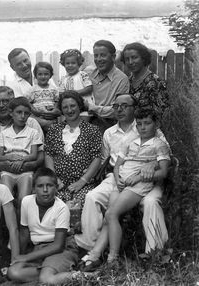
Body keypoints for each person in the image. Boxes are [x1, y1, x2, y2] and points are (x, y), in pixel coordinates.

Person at [75, 94, 170, 271]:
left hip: (144, 180)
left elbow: (165, 159)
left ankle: (154, 255)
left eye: (124, 105)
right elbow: (108, 160)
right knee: (93, 198)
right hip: (118, 178)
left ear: (134, 108)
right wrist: (112, 176)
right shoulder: (110, 133)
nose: (119, 109)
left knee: (147, 203)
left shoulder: (152, 132)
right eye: (116, 105)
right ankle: (91, 250)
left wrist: (149, 165)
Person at [105, 108, 170, 265]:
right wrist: (117, 177)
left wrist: (140, 176)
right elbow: (117, 164)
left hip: (138, 185)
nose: (142, 127)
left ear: (157, 124)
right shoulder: (130, 142)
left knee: (111, 214)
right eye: (139, 124)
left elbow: (163, 172)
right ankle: (102, 254)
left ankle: (112, 258)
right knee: (109, 214)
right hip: (122, 183)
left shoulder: (158, 144)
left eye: (147, 123)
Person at [7, 168, 79, 284]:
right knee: (13, 272)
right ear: (34, 188)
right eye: (40, 186)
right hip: (39, 249)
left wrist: (26, 258)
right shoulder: (26, 201)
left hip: (61, 249)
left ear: (56, 188)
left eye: (49, 185)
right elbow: (24, 233)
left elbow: (58, 245)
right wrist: (18, 258)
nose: (45, 190)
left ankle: (86, 276)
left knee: (46, 280)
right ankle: (53, 272)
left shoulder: (61, 208)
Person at [44, 91, 101, 207]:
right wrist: (54, 179)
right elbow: (48, 155)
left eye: (73, 106)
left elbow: (97, 158)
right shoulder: (53, 130)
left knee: (76, 208)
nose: (69, 110)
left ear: (79, 106)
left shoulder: (92, 130)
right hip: (58, 184)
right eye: (65, 107)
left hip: (83, 184)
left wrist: (82, 181)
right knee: (53, 208)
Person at [0, 86, 44, 176]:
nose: (1, 105)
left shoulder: (31, 123)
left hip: (30, 173)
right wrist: (3, 166)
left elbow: (41, 153)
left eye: (5, 101)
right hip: (0, 174)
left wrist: (32, 165)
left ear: (13, 102)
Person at [0, 97, 43, 209]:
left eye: (26, 113)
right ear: (11, 113)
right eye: (19, 112)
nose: (22, 116)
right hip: (8, 169)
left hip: (25, 169)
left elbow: (34, 155)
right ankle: (9, 226)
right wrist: (11, 157)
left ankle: (23, 225)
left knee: (24, 199)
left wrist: (21, 160)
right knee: (6, 198)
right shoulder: (4, 133)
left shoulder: (33, 132)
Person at [86, 40, 130, 132]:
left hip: (109, 125)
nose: (98, 59)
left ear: (113, 57)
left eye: (103, 55)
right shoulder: (88, 73)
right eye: (96, 55)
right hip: (85, 120)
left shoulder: (121, 79)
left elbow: (117, 110)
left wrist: (91, 108)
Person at [120, 42, 169, 116]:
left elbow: (161, 113)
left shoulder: (156, 82)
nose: (130, 62)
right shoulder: (127, 82)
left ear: (143, 58)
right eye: (127, 59)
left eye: (134, 57)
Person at [59, 49, 93, 120]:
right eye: (67, 63)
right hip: (69, 107)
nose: (70, 65)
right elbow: (61, 93)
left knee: (84, 121)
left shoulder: (82, 75)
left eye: (73, 63)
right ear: (64, 64)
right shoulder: (63, 79)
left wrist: (74, 94)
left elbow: (89, 88)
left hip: (83, 106)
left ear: (79, 64)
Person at [26, 61, 61, 132]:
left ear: (50, 75)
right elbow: (27, 102)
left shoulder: (54, 89)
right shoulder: (32, 89)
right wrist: (33, 110)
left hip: (51, 115)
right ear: (35, 75)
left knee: (52, 130)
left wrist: (55, 110)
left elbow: (57, 101)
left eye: (46, 74)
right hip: (38, 116)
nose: (43, 77)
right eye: (40, 74)